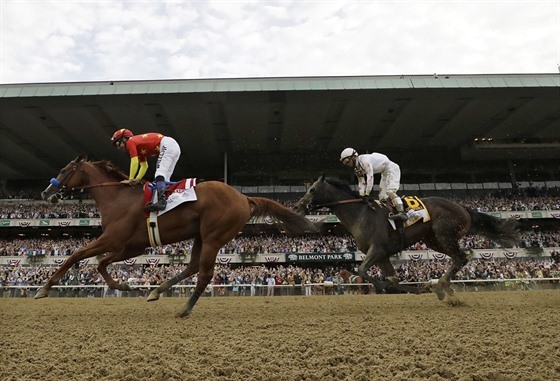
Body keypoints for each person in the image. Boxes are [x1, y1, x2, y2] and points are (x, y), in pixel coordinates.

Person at [111, 129, 181, 212]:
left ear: (123, 139)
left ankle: (162, 201)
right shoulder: (139, 148)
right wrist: (137, 179)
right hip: (173, 146)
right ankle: (167, 200)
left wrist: (130, 179)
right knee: (165, 179)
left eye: (118, 143)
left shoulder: (130, 142)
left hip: (167, 145)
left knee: (159, 173)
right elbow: (144, 166)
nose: (118, 148)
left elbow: (134, 162)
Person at [339, 147, 408, 222]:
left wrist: (367, 193)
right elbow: (361, 182)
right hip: (384, 172)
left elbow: (370, 177)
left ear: (353, 157)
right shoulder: (357, 168)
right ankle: (392, 213)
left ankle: (402, 213)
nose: (347, 164)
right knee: (382, 197)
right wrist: (361, 195)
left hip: (392, 168)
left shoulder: (364, 160)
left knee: (390, 191)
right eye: (344, 162)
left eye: (346, 161)